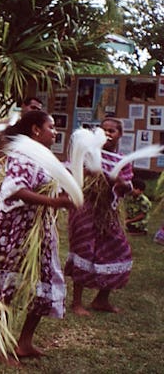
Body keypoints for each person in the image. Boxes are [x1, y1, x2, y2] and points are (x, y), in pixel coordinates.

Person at [0, 110, 73, 361]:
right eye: (51, 127)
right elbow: (14, 190)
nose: (54, 132)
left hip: (37, 233)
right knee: (9, 288)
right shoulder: (22, 154)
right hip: (15, 234)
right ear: (35, 130)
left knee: (44, 284)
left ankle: (24, 343)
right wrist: (54, 203)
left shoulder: (42, 156)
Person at [65, 118, 134, 316]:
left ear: (120, 134)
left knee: (119, 249)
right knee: (84, 250)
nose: (108, 134)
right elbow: (74, 170)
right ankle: (76, 302)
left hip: (108, 212)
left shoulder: (123, 160)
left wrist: (119, 182)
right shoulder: (87, 154)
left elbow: (127, 186)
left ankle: (101, 299)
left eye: (112, 130)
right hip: (85, 209)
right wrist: (92, 172)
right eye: (104, 130)